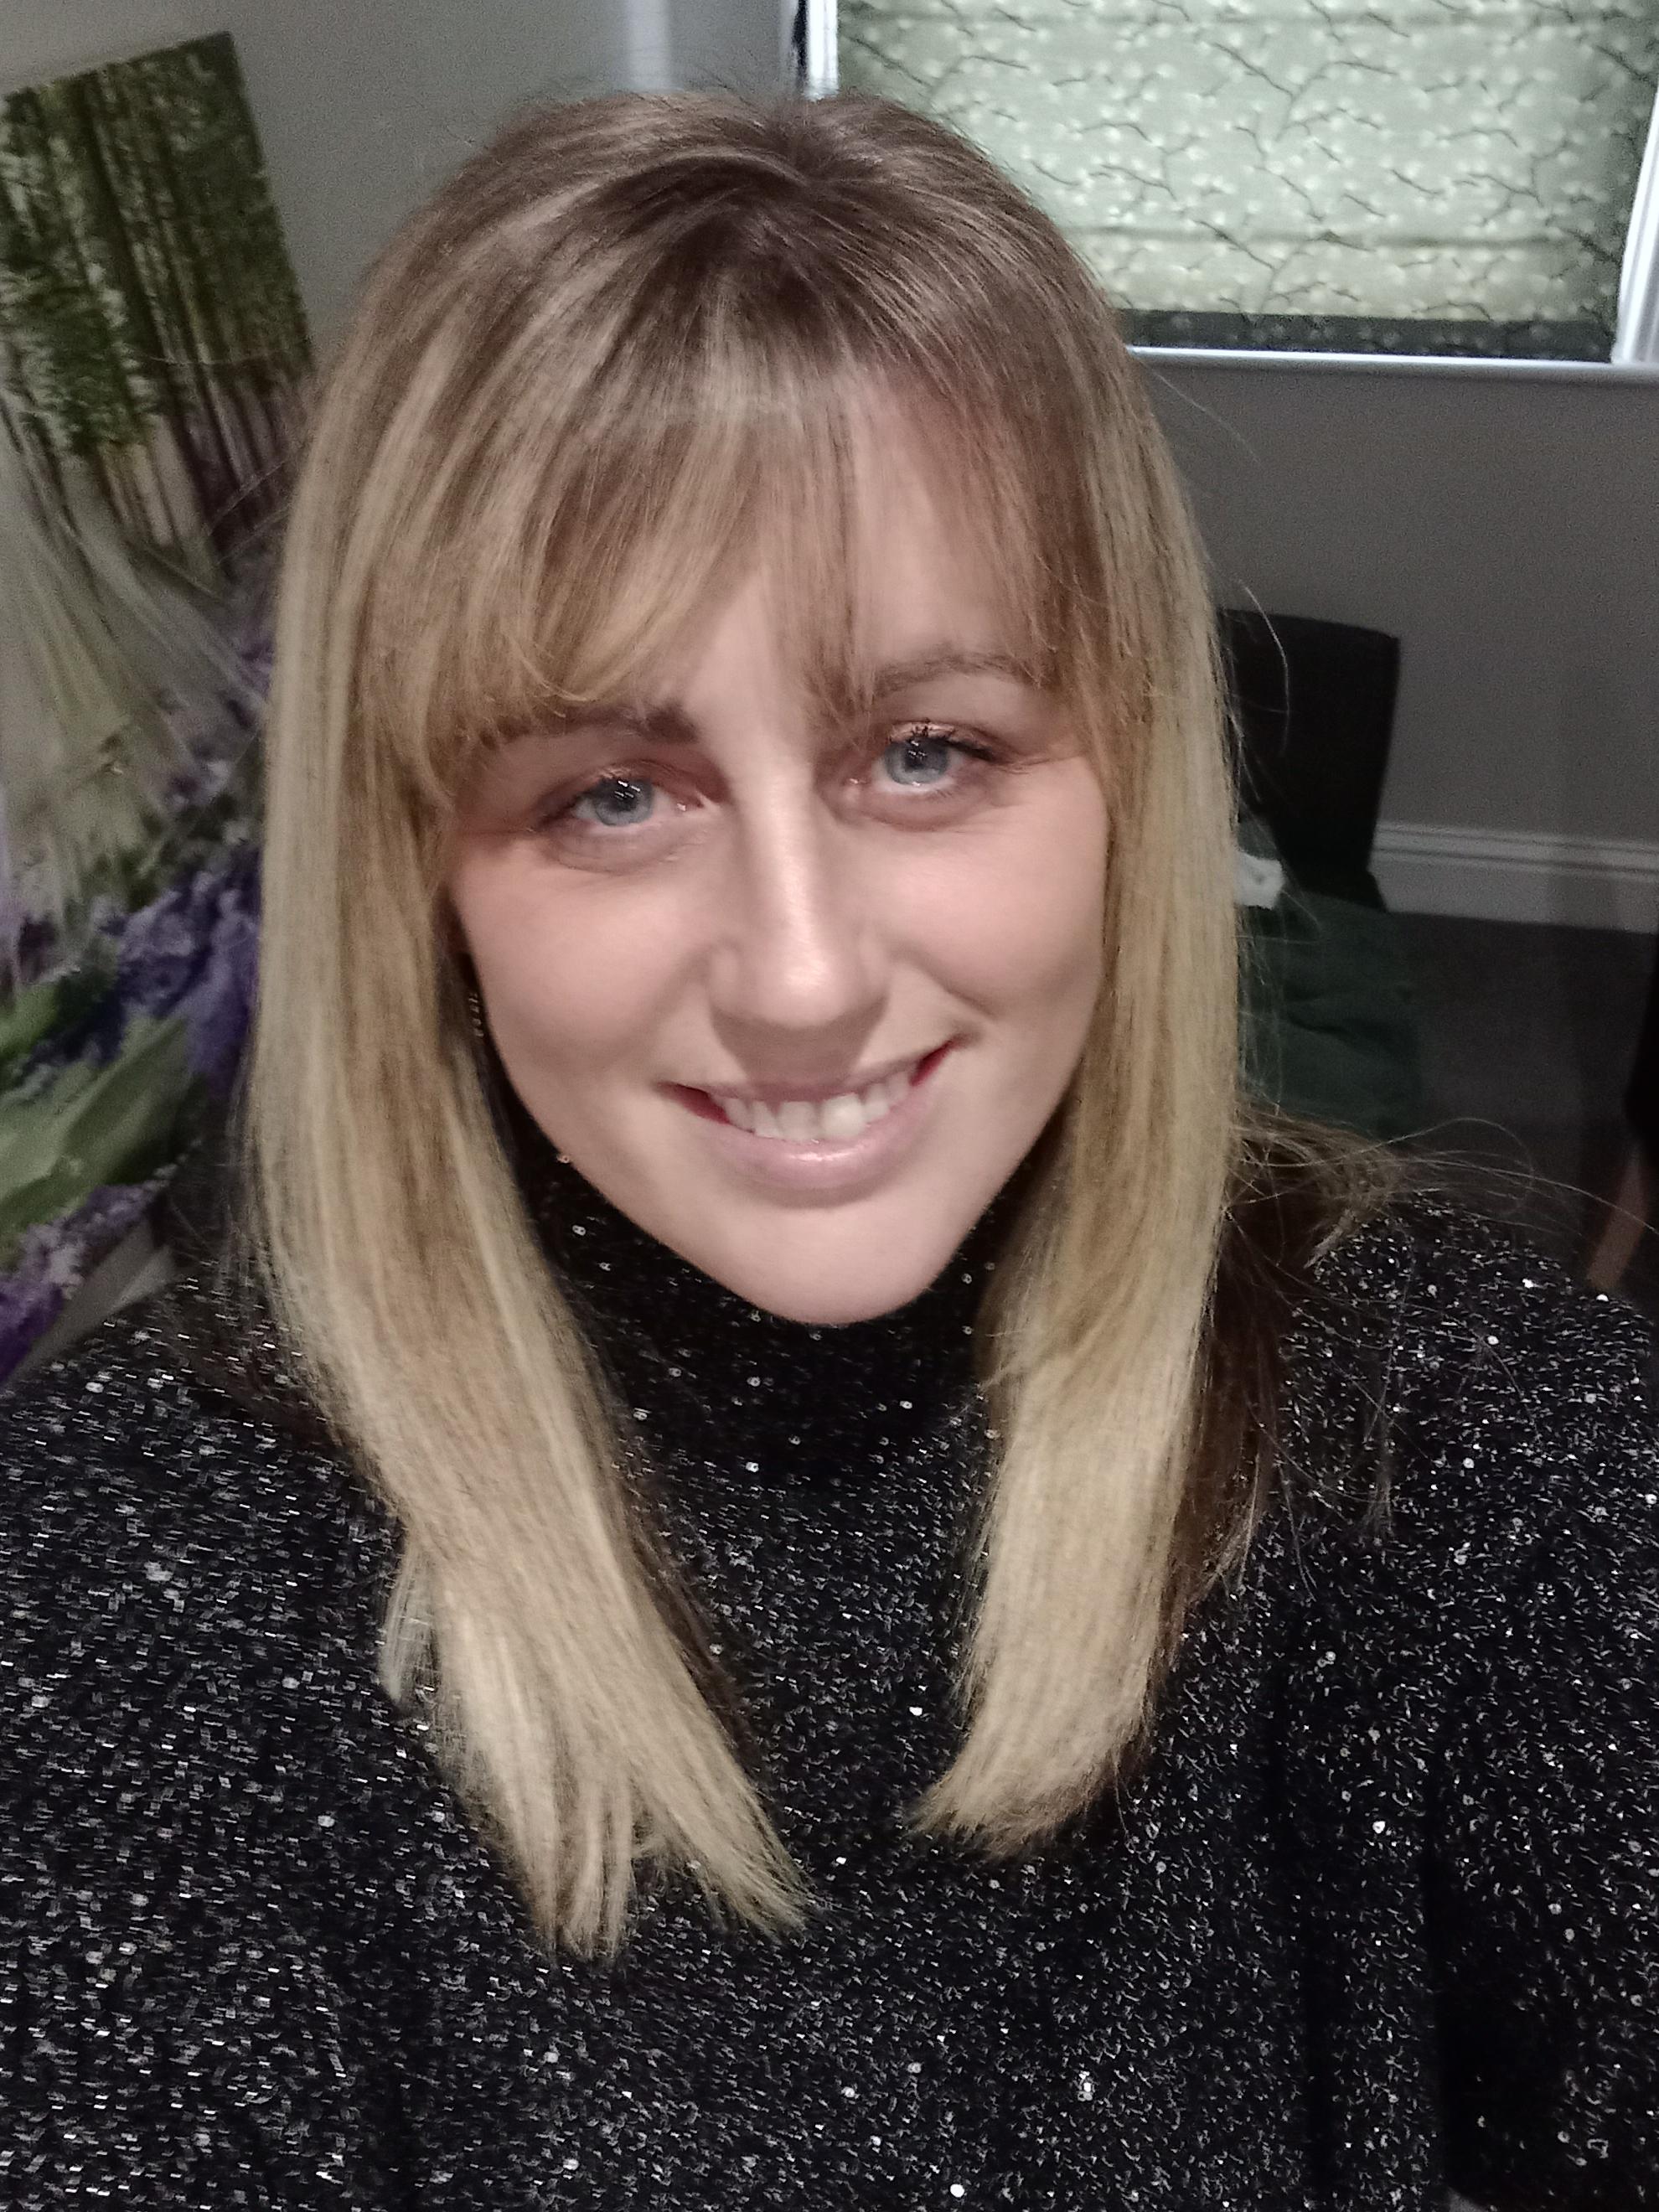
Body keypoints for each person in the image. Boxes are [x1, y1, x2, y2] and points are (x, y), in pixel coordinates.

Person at [3, 90, 1656, 2209]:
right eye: (611, 793)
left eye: (928, 751)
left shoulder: (1467, 1435)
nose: (800, 978)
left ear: (1132, 775)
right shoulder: (136, 1574)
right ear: (419, 867)